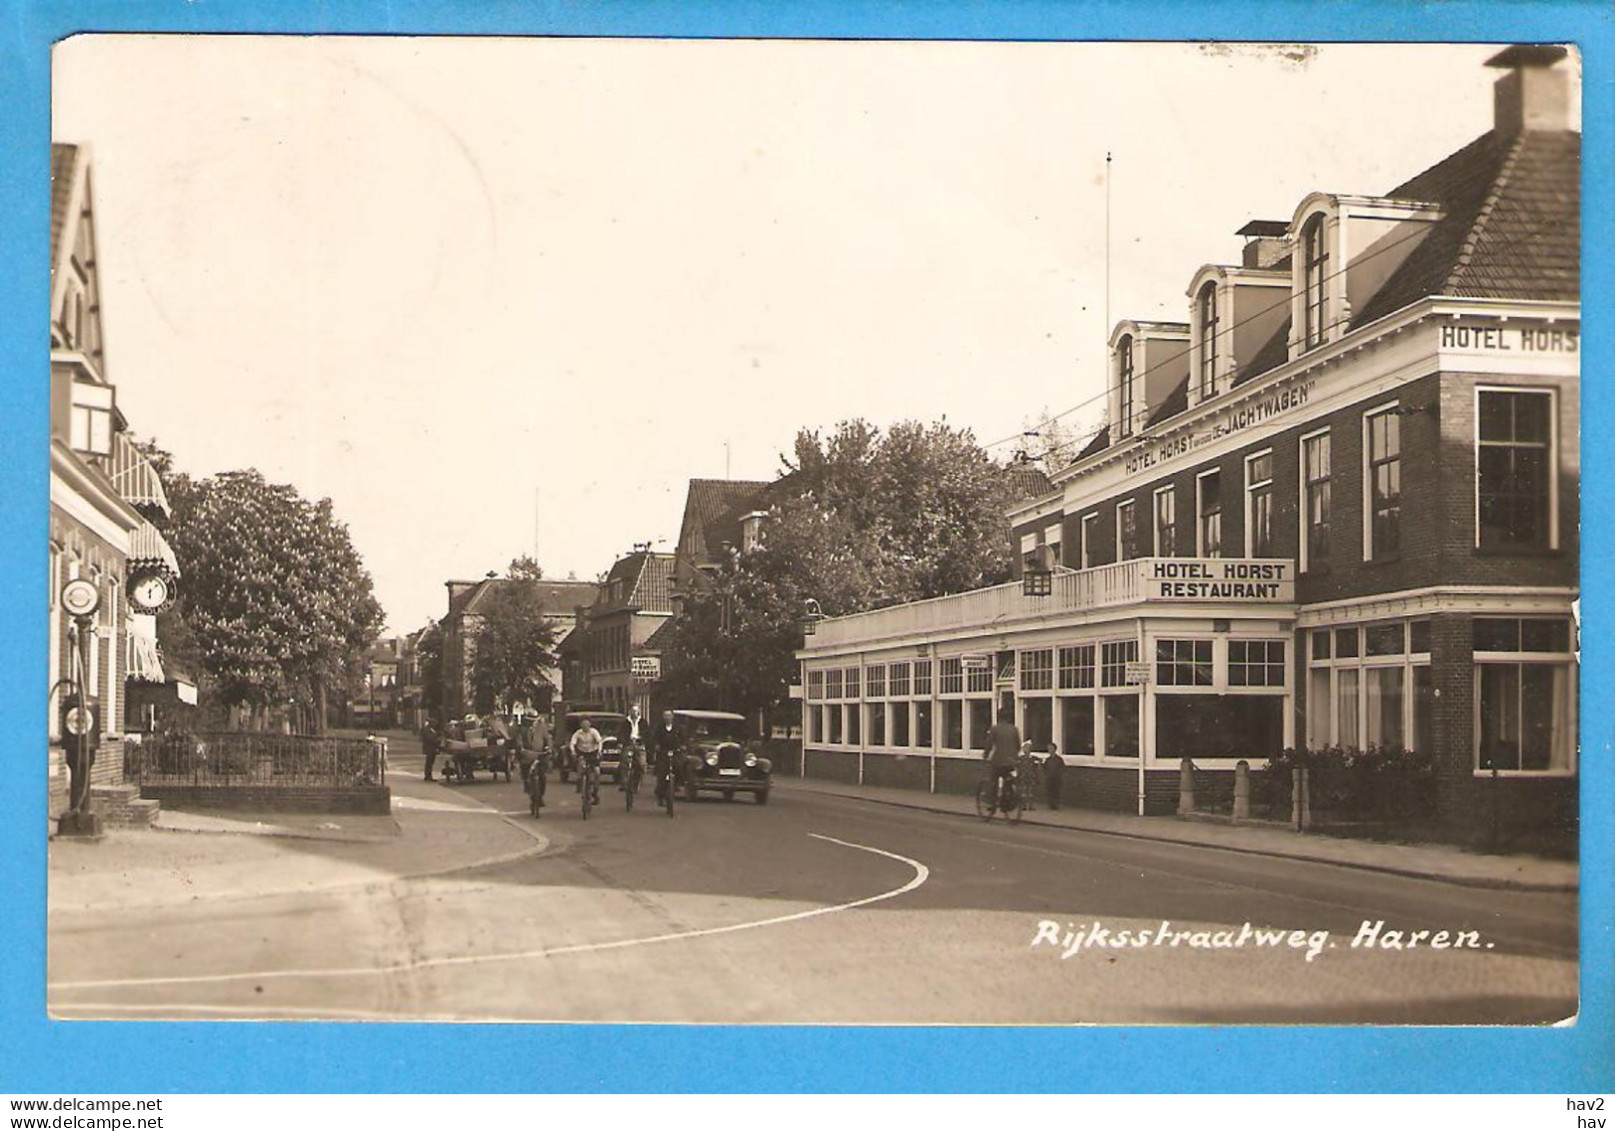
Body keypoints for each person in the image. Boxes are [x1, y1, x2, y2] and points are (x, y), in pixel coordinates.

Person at [980, 708, 1022, 810]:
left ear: (999, 717)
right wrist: (1014, 756)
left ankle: (992, 803)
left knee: (993, 779)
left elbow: (989, 744)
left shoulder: (995, 729)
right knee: (1008, 779)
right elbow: (1018, 745)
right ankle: (1008, 800)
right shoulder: (1014, 729)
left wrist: (985, 755)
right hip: (1012, 761)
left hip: (999, 760)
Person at [570, 715, 605, 807]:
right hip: (582, 753)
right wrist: (573, 751)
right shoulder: (578, 733)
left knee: (597, 772)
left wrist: (599, 751)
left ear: (590, 724)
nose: (585, 726)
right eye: (583, 724)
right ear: (581, 725)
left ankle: (595, 792)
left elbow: (599, 741)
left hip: (593, 753)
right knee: (581, 766)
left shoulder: (594, 732)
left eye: (587, 723)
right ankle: (579, 783)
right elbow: (572, 742)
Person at [650, 710, 683, 808]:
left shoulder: (678, 728)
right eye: (665, 716)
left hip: (675, 751)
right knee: (661, 772)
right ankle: (660, 794)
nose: (667, 717)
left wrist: (683, 746)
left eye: (669, 715)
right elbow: (654, 739)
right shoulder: (659, 728)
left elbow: (683, 738)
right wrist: (656, 745)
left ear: (672, 717)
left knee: (679, 766)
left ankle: (677, 784)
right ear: (663, 717)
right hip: (663, 752)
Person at [1043, 742, 1064, 810]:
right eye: (1048, 749)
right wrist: (1046, 774)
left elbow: (1063, 768)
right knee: (1050, 791)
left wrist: (1059, 773)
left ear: (1055, 749)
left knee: (1056, 791)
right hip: (1049, 778)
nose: (1050, 750)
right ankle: (1051, 804)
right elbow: (1045, 768)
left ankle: (1056, 804)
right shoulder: (1047, 760)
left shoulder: (1059, 759)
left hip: (1056, 778)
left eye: (1051, 748)